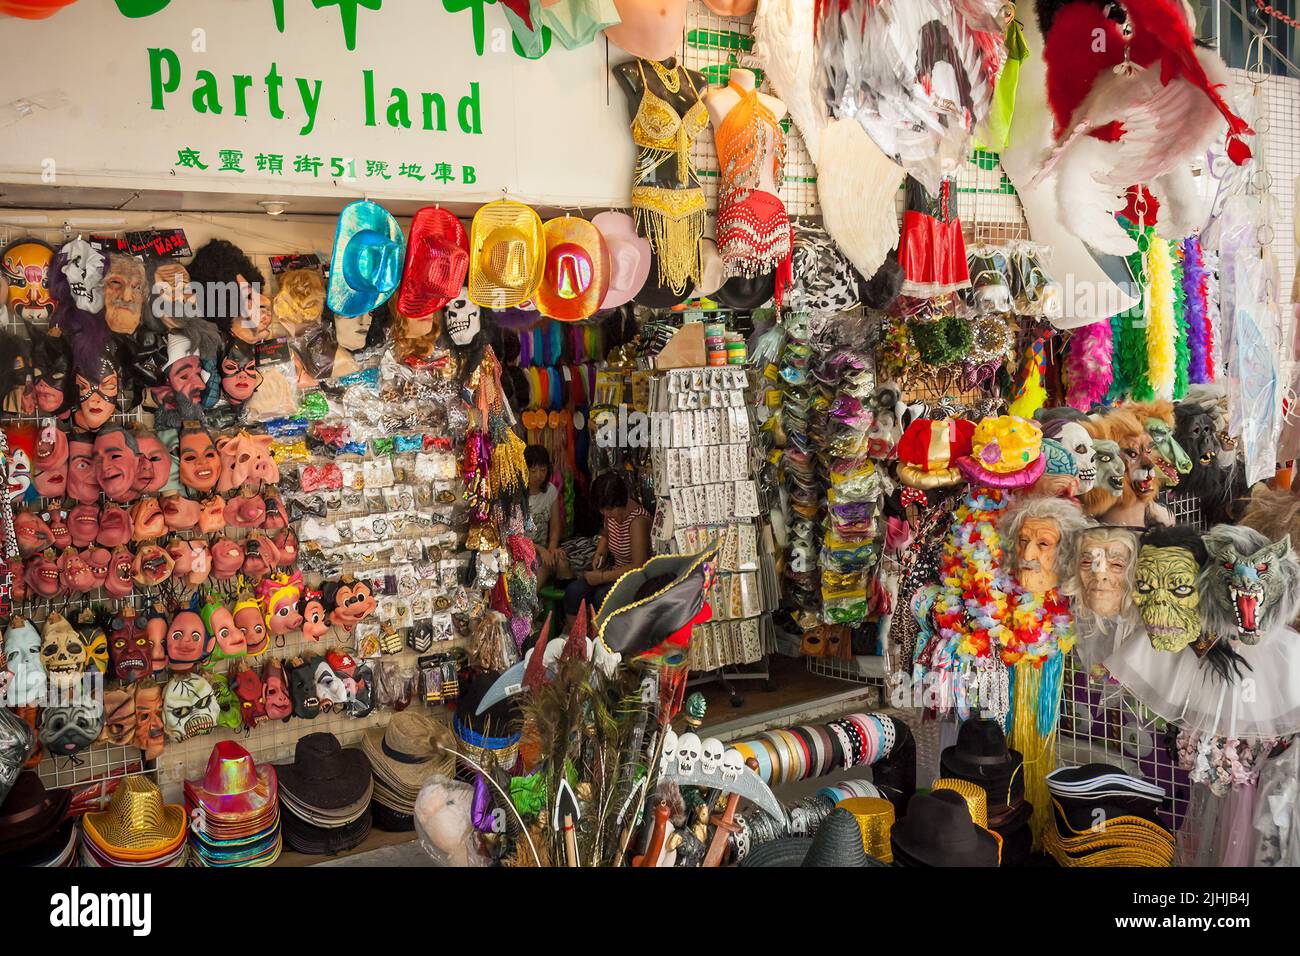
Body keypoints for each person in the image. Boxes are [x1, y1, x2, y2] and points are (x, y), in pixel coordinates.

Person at [564, 471, 649, 624]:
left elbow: (639, 565)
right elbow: (606, 534)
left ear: (621, 501)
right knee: (573, 592)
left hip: (632, 579)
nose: (605, 513)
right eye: (602, 509)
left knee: (602, 597)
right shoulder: (610, 514)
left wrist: (602, 577)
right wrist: (599, 553)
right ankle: (577, 636)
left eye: (609, 509)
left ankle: (602, 637)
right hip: (612, 572)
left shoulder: (637, 521)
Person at [526, 445, 570, 587]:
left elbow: (555, 527)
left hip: (543, 551)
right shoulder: (517, 495)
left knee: (558, 561)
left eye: (543, 470)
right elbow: (514, 536)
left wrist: (551, 548)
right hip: (522, 550)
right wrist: (541, 549)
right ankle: (530, 598)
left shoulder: (550, 491)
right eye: (533, 471)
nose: (538, 475)